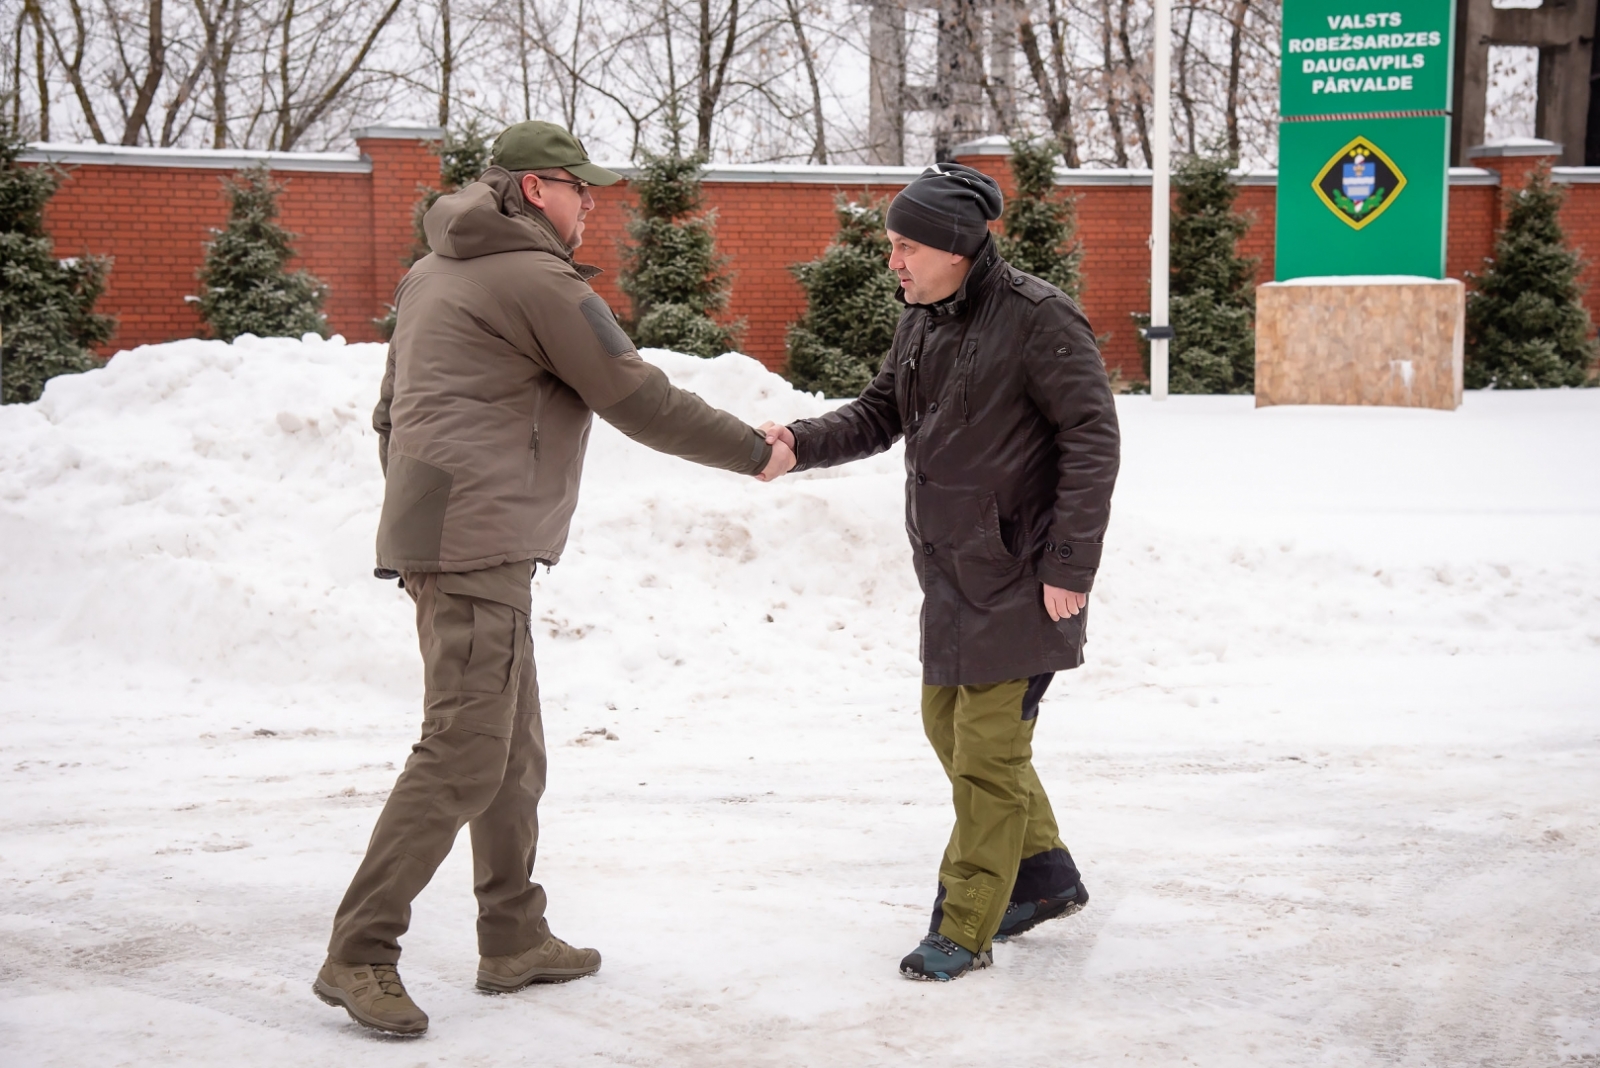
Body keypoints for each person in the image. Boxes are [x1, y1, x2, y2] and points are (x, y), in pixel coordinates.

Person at [313, 120, 795, 1035]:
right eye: (581, 189)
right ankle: (359, 952)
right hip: (475, 541)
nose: (591, 207)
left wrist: (425, 516)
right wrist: (754, 451)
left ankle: (513, 936)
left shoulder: (433, 270)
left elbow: (390, 412)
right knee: (464, 751)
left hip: (453, 531)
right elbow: (637, 396)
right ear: (537, 189)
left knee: (511, 752)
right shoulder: (534, 279)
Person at [758, 162, 1120, 981]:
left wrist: (1070, 564)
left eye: (906, 246)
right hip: (954, 571)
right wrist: (800, 444)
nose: (893, 261)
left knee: (987, 755)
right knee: (948, 728)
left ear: (956, 246)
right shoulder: (922, 318)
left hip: (1023, 572)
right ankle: (1044, 874)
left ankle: (966, 923)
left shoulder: (1039, 318)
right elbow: (881, 412)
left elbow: (1092, 440)